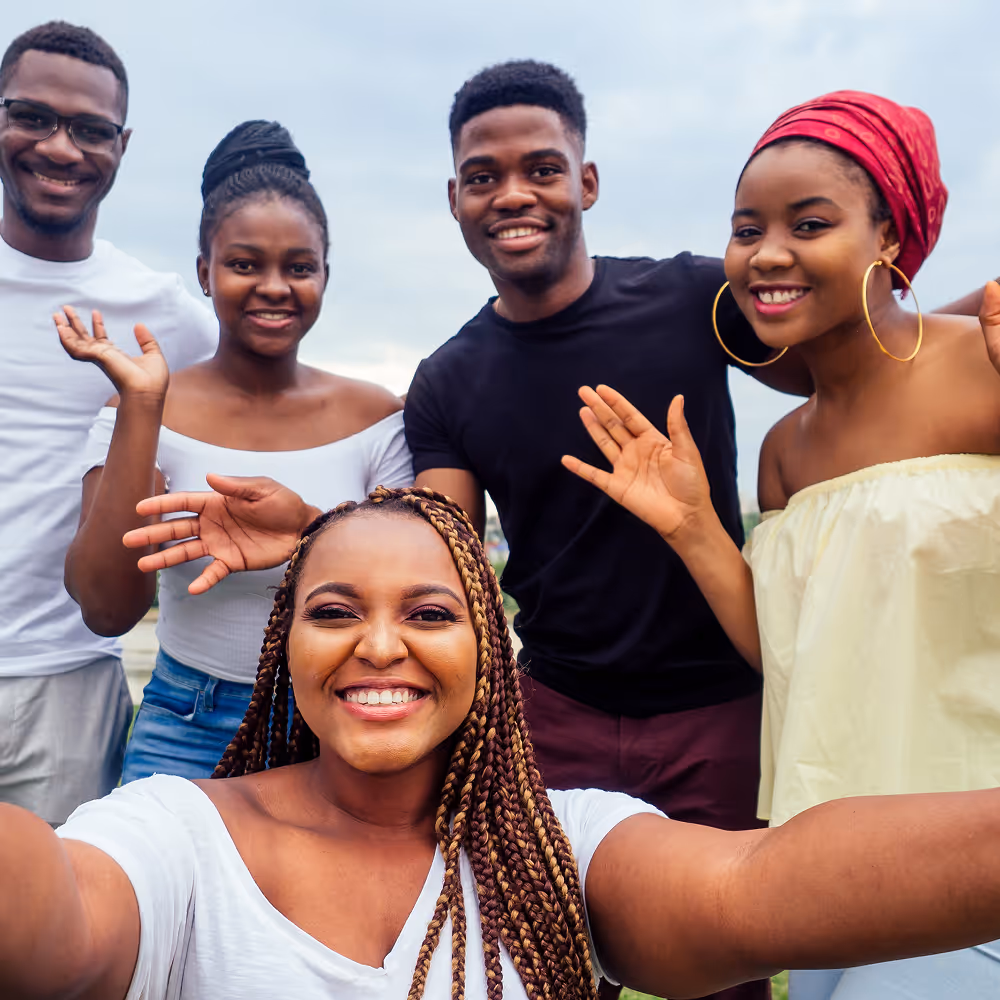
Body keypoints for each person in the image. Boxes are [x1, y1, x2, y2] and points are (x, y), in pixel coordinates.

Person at [120, 64, 813, 999]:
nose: (514, 194)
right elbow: (435, 545)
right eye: (484, 176)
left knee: (726, 957)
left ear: (588, 181)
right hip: (554, 715)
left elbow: (843, 368)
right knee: (549, 966)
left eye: (543, 168)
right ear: (455, 198)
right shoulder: (448, 378)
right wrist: (314, 532)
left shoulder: (692, 298)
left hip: (719, 710)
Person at [4, 486, 1000, 1000]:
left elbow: (762, 883)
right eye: (335, 610)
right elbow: (52, 917)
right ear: (285, 648)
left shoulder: (560, 851)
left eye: (430, 613)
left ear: (489, 649)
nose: (379, 644)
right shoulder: (178, 836)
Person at [561, 92, 1000, 998]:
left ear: (889, 235)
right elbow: (790, 652)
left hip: (976, 845)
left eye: (809, 223)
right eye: (745, 226)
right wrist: (691, 527)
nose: (766, 253)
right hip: (830, 860)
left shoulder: (985, 364)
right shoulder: (785, 449)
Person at [57, 120, 412, 781]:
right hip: (186, 727)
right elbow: (107, 608)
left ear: (325, 276)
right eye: (245, 264)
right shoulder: (143, 406)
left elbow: (421, 589)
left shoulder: (376, 417)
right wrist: (142, 410)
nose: (275, 286)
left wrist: (312, 529)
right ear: (205, 271)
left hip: (339, 723)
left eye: (299, 267)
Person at [0, 21, 217, 825]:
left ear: (122, 147)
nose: (60, 148)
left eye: (90, 129)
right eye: (32, 117)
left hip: (69, 683)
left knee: (54, 945)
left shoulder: (171, 320)